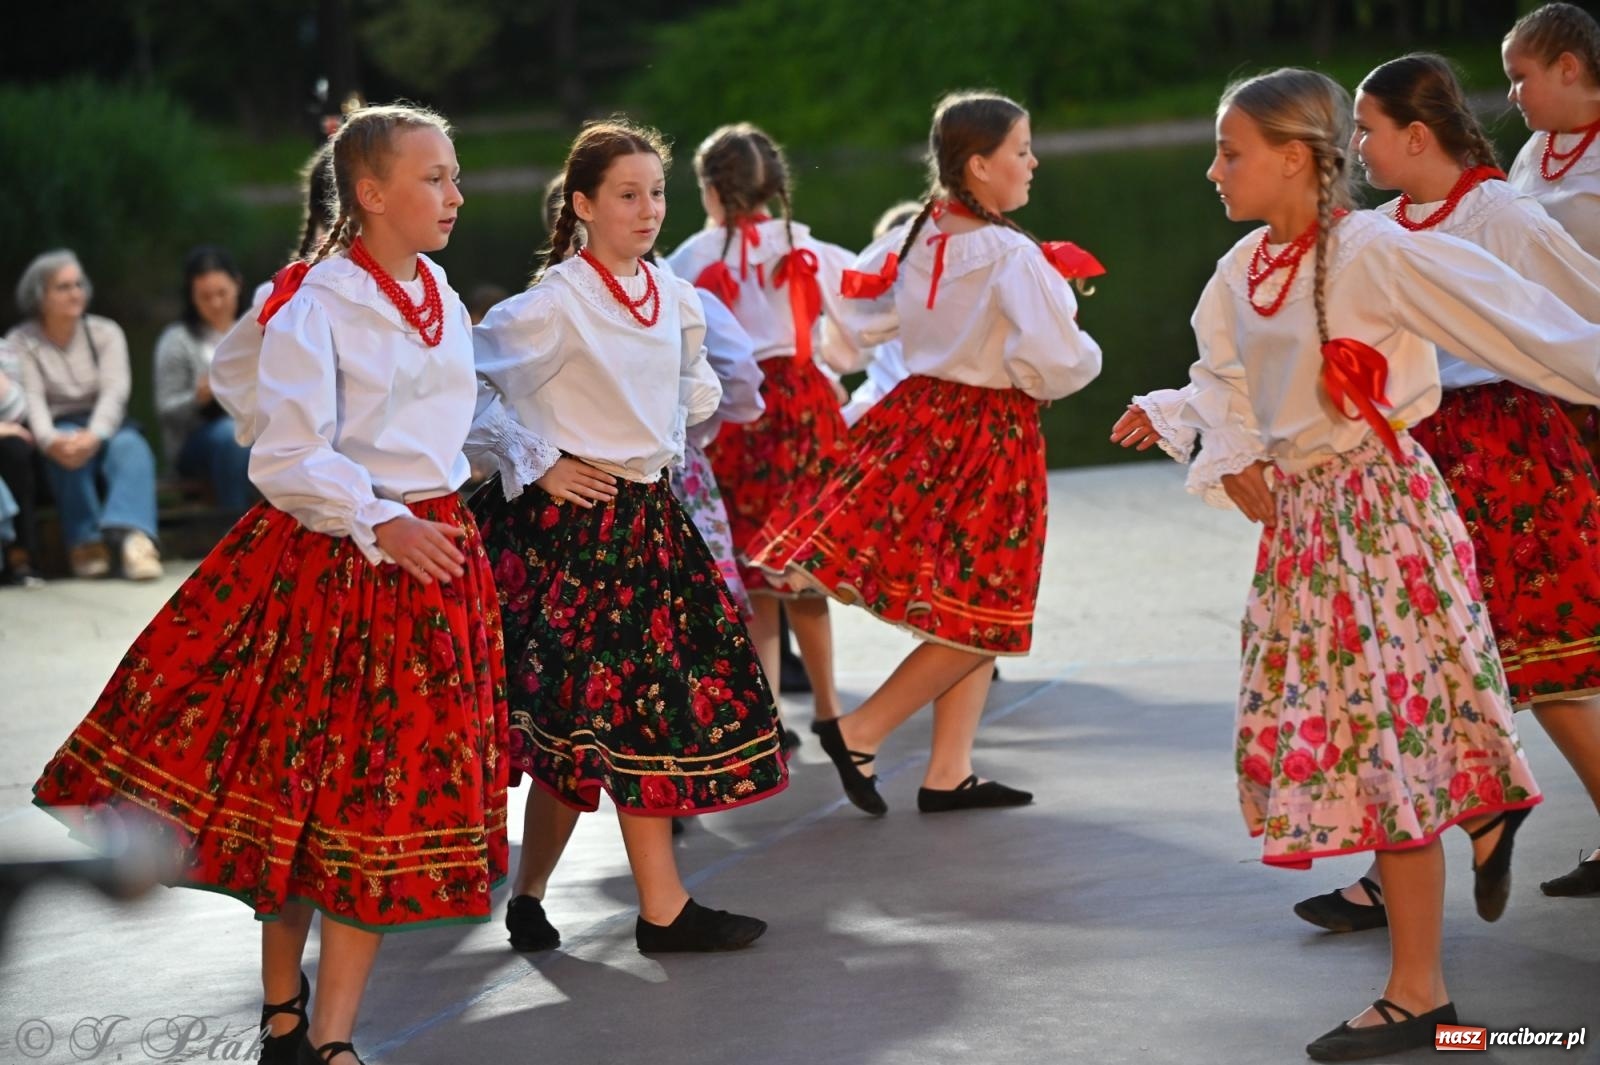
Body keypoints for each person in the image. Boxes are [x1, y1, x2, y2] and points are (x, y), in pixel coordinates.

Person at [1119, 67, 1600, 1060]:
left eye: (1230, 151)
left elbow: (1524, 326)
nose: (1214, 170)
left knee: (1386, 739)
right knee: (1361, 739)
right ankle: (1468, 838)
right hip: (1305, 531)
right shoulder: (1240, 269)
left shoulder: (1374, 249)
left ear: (1296, 157)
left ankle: (1425, 994)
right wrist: (1198, 430)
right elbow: (1225, 383)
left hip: (1380, 515)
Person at [34, 103, 509, 1065]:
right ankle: (287, 1011)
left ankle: (327, 1037)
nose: (456, 194)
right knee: (305, 797)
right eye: (435, 177)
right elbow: (283, 449)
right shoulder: (315, 300)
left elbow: (465, 422)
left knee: (378, 811)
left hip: (432, 561)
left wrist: (533, 459)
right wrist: (381, 514)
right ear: (370, 194)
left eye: (455, 175)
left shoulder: (445, 299)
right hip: (338, 564)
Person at [470, 119, 787, 956]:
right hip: (567, 534)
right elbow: (460, 389)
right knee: (585, 734)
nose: (648, 210)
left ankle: (656, 907)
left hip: (647, 524)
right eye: (627, 195)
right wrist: (540, 461)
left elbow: (698, 391)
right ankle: (555, 892)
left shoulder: (674, 296)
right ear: (582, 204)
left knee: (631, 720)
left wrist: (667, 432)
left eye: (656, 194)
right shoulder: (549, 306)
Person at [750, 91, 1104, 816]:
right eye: (1020, 150)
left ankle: (949, 768)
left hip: (921, 418)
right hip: (991, 430)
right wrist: (1038, 364)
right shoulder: (1010, 255)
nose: (1032, 162)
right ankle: (861, 728)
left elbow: (850, 321)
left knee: (966, 603)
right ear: (979, 164)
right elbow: (1065, 362)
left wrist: (877, 348)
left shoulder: (914, 236)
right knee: (987, 607)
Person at [666, 123, 856, 731]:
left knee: (754, 573)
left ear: (709, 189)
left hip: (737, 417)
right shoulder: (804, 244)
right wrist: (836, 364)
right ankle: (828, 706)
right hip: (803, 408)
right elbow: (859, 313)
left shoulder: (689, 258)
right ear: (775, 183)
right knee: (799, 570)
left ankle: (767, 713)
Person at [7, 251, 162, 580]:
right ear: (40, 296)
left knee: (131, 446)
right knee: (66, 449)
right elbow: (31, 398)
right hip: (53, 423)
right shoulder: (22, 341)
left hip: (105, 423)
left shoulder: (106, 332)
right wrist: (49, 441)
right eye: (63, 287)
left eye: (78, 284)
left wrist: (95, 434)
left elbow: (115, 392)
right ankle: (85, 543)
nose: (75, 293)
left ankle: (134, 540)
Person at [1504, 3, 1600, 467]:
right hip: (1541, 377)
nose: (1511, 94)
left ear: (1567, 67)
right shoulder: (1536, 147)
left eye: (1520, 78)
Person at [153, 246, 254, 515]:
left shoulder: (258, 329)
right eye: (205, 297)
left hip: (257, 425)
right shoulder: (177, 340)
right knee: (232, 436)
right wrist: (198, 397)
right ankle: (234, 530)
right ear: (192, 297)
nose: (216, 303)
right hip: (199, 440)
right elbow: (166, 411)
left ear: (238, 285)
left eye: (222, 293)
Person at [0, 338, 42, 585]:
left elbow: (16, 410)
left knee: (16, 450)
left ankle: (20, 554)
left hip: (8, 433)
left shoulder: (5, 349)